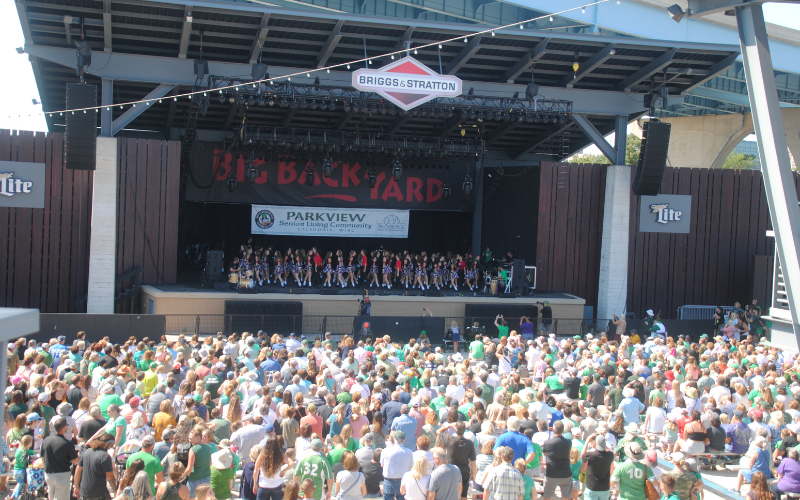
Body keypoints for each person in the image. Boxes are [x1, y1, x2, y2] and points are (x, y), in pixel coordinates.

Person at [41, 416, 79, 500]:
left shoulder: (46, 440)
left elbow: (42, 457)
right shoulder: (67, 444)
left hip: (48, 474)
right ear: (64, 427)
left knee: (51, 497)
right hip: (61, 475)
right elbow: (75, 460)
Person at [74, 432, 117, 500]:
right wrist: (115, 490)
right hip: (99, 493)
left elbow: (78, 470)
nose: (110, 448)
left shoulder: (86, 452)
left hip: (84, 493)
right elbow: (110, 476)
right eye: (111, 445)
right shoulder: (105, 456)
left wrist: (76, 487)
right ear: (106, 444)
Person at [542, 421, 572, 500]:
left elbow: (544, 453)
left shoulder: (548, 443)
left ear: (554, 430)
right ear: (563, 430)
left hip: (551, 473)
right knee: (566, 497)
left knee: (548, 496)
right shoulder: (568, 442)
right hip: (565, 473)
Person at [580, 434, 614, 500]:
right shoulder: (610, 455)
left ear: (595, 443)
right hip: (605, 488)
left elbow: (582, 456)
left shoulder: (590, 455)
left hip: (592, 487)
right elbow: (608, 451)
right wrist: (603, 444)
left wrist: (587, 441)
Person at [181, 429, 213, 500]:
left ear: (198, 437)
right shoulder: (208, 447)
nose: (189, 440)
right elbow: (210, 463)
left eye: (191, 438)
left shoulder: (193, 449)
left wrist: (182, 475)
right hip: (207, 478)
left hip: (195, 480)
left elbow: (189, 468)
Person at [381, 430, 414, 500]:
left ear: (393, 439)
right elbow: (411, 467)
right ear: (404, 439)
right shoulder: (409, 452)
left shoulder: (385, 451)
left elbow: (382, 465)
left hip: (389, 480)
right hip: (402, 481)